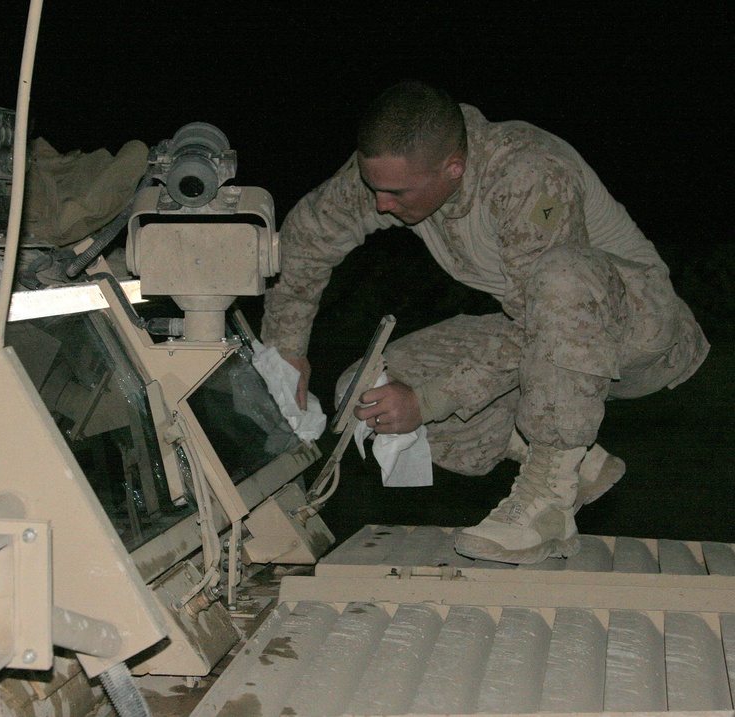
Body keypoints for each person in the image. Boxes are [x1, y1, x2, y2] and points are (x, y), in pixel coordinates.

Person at [260, 80, 709, 564]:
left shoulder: (528, 173)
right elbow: (309, 233)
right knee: (365, 392)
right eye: (374, 188)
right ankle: (577, 464)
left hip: (640, 331)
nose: (381, 203)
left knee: (560, 278)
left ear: (454, 168)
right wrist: (287, 350)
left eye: (395, 192)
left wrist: (428, 401)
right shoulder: (397, 170)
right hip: (543, 337)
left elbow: (548, 313)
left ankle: (548, 502)